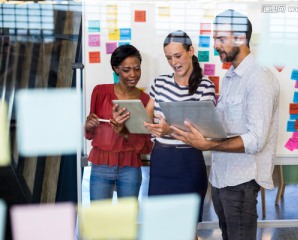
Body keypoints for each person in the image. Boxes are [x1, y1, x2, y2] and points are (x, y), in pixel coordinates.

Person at [170, 10, 280, 240]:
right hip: (222, 177)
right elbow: (222, 124)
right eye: (214, 39)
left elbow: (255, 140)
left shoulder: (259, 76)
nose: (215, 45)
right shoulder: (232, 76)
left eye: (221, 39)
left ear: (240, 38)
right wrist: (189, 125)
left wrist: (207, 145)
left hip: (241, 181)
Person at [144, 30, 216, 223]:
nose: (174, 62)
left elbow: (202, 132)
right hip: (160, 160)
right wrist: (128, 118)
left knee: (186, 227)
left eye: (178, 56)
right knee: (160, 225)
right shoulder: (159, 83)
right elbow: (146, 118)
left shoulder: (205, 86)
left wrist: (169, 130)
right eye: (169, 58)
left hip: (188, 162)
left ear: (191, 51)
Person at [84, 44, 153, 201]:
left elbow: (147, 145)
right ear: (116, 69)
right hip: (101, 165)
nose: (133, 74)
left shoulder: (145, 100)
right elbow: (89, 134)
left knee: (127, 220)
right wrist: (88, 126)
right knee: (99, 219)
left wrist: (125, 133)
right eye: (127, 70)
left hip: (129, 167)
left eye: (137, 68)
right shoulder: (100, 92)